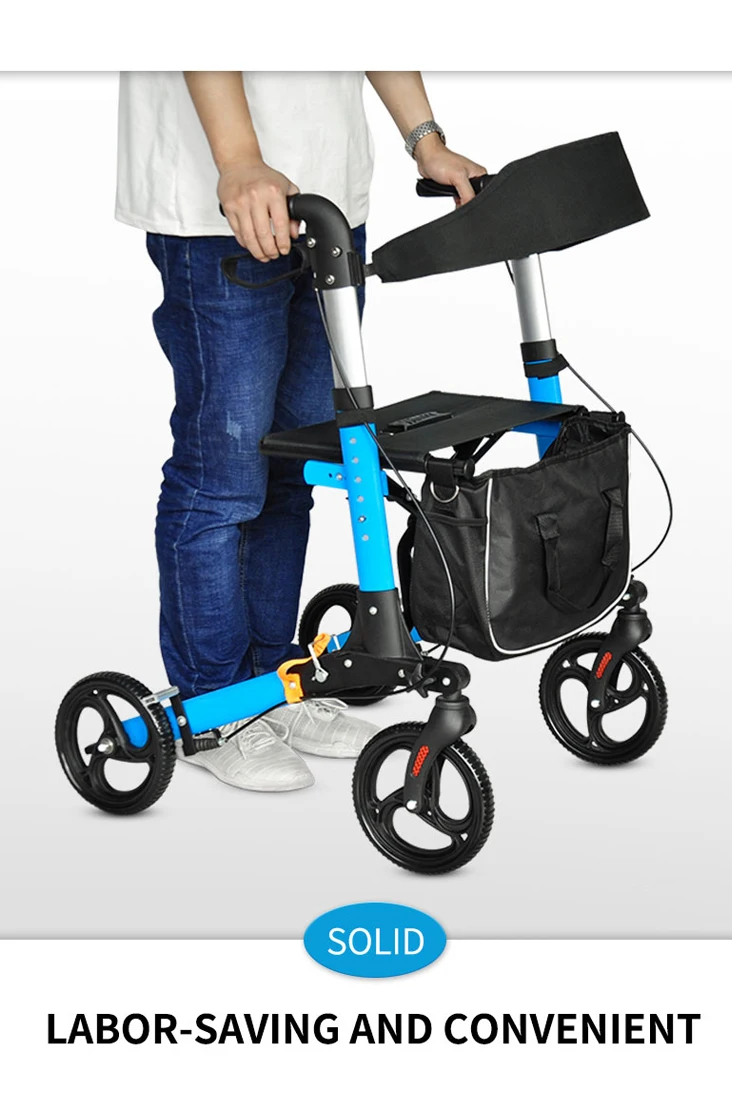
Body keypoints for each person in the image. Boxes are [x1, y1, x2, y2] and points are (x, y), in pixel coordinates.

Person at [116, 71, 486, 792]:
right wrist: (239, 159)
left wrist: (425, 140)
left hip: (329, 202)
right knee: (222, 480)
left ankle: (272, 685)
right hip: (222, 207)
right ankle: (214, 708)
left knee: (294, 469)